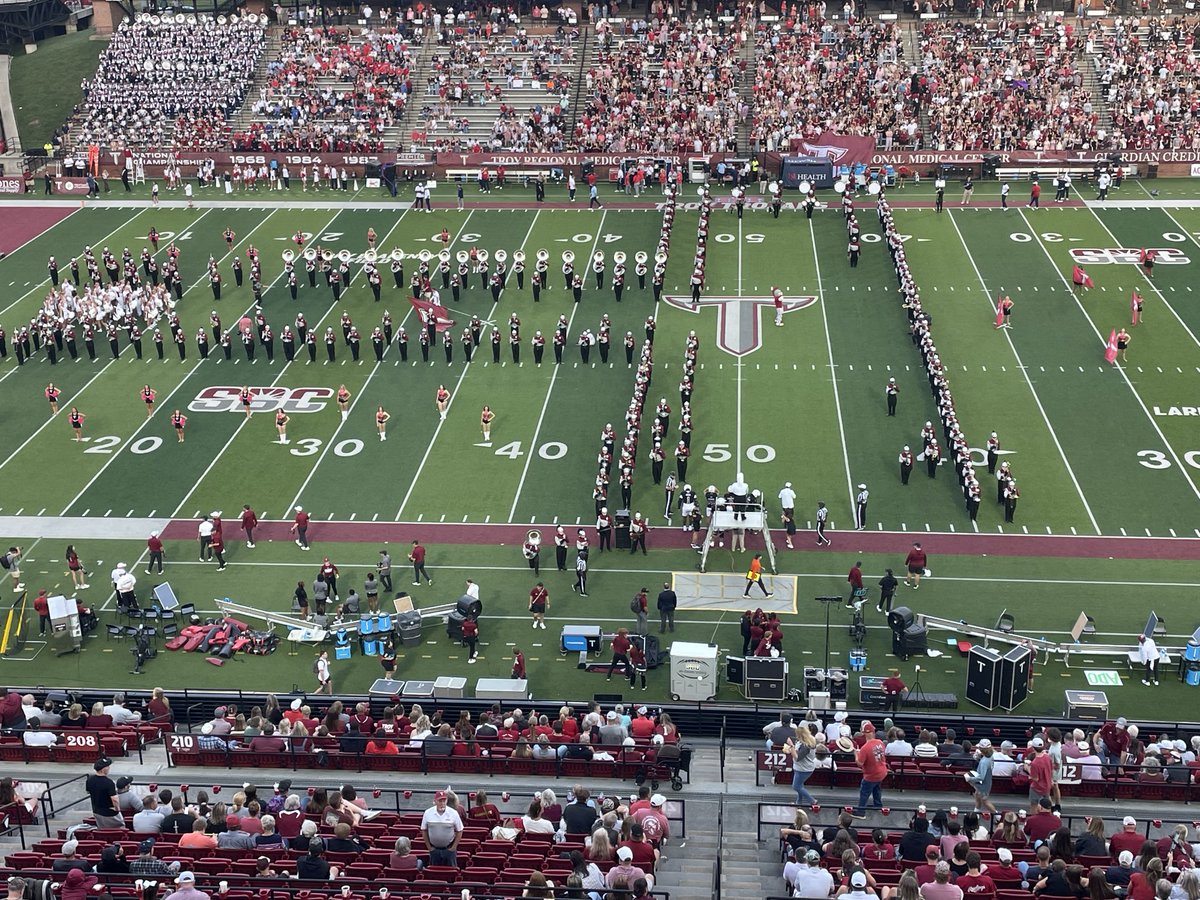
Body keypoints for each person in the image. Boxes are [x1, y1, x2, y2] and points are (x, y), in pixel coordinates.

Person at [420, 790, 463, 868]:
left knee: (451, 872)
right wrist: (429, 847)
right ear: (435, 801)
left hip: (449, 849)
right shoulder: (428, 813)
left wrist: (453, 847)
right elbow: (424, 830)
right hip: (434, 850)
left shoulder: (453, 813)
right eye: (440, 801)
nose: (442, 803)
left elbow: (459, 830)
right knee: (435, 873)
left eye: (444, 800)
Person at [854, 723, 887, 818]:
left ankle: (861, 812)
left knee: (864, 792)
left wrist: (856, 754)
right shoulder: (880, 743)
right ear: (873, 732)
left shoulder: (865, 748)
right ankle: (878, 805)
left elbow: (860, 763)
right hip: (882, 772)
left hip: (871, 775)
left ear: (864, 733)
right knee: (877, 788)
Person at [87, 757, 124, 829]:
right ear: (103, 769)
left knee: (103, 830)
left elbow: (89, 791)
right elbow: (114, 799)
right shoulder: (109, 783)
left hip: (96, 811)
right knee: (120, 828)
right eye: (108, 766)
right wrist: (117, 809)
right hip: (109, 813)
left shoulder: (89, 780)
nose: (109, 768)